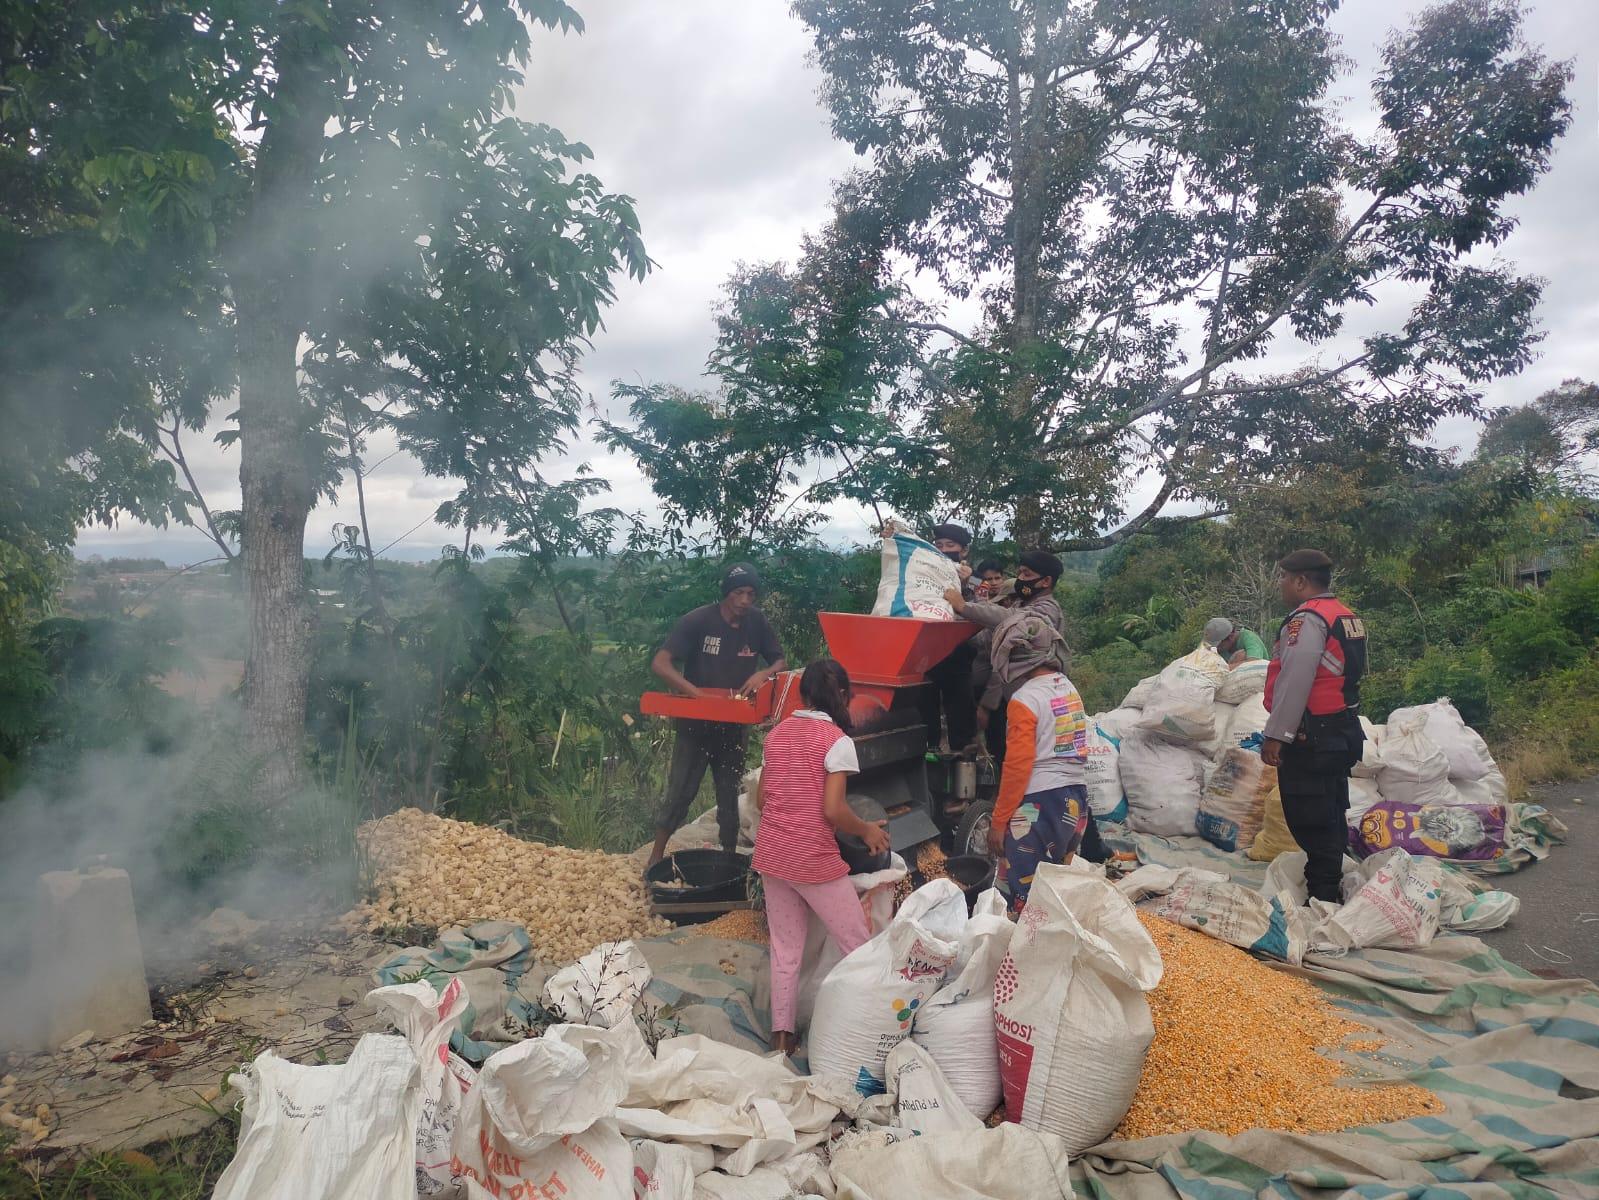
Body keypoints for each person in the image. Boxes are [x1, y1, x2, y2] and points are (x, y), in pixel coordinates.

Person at [753, 660, 890, 1055]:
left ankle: (782, 1037)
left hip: (772, 854)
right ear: (843, 695)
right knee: (858, 943)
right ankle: (866, 1027)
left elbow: (762, 801)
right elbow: (833, 810)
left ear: (803, 695)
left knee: (785, 949)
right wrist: (866, 830)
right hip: (812, 859)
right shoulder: (836, 741)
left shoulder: (776, 735)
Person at [648, 563, 787, 868]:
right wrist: (695, 694)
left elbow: (779, 661)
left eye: (751, 594)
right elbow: (661, 663)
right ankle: (656, 855)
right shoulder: (698, 621)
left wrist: (762, 674)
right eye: (739, 593)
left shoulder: (757, 622)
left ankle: (727, 860)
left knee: (728, 793)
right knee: (681, 791)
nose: (745, 600)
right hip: (695, 725)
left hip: (733, 725)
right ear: (726, 593)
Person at [1261, 549, 1368, 904]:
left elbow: (1295, 680)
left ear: (1301, 581)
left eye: (1283, 577)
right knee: (1331, 811)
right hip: (1340, 730)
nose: (1280, 584)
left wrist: (1277, 735)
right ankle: (1329, 885)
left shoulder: (1307, 620)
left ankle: (1322, 898)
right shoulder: (1346, 616)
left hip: (1313, 737)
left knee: (1311, 817)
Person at [985, 612, 1090, 912]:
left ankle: (1024, 940)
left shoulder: (1025, 699)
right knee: (1057, 889)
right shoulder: (1068, 687)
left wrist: (999, 821)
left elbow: (1018, 766)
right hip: (1076, 801)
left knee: (1025, 897)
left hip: (1039, 806)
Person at [920, 522, 980, 754]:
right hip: (929, 654)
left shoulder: (976, 582)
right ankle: (929, 755)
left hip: (960, 655)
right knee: (926, 712)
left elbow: (984, 613)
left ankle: (964, 765)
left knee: (961, 714)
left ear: (964, 550)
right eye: (939, 545)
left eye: (950, 545)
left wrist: (965, 587)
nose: (944, 550)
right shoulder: (925, 575)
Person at [1203, 617, 1269, 665]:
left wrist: (1224, 669)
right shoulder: (1219, 649)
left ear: (1231, 637)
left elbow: (1254, 662)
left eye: (1219, 645)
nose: (1216, 648)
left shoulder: (1249, 638)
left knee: (1242, 655)